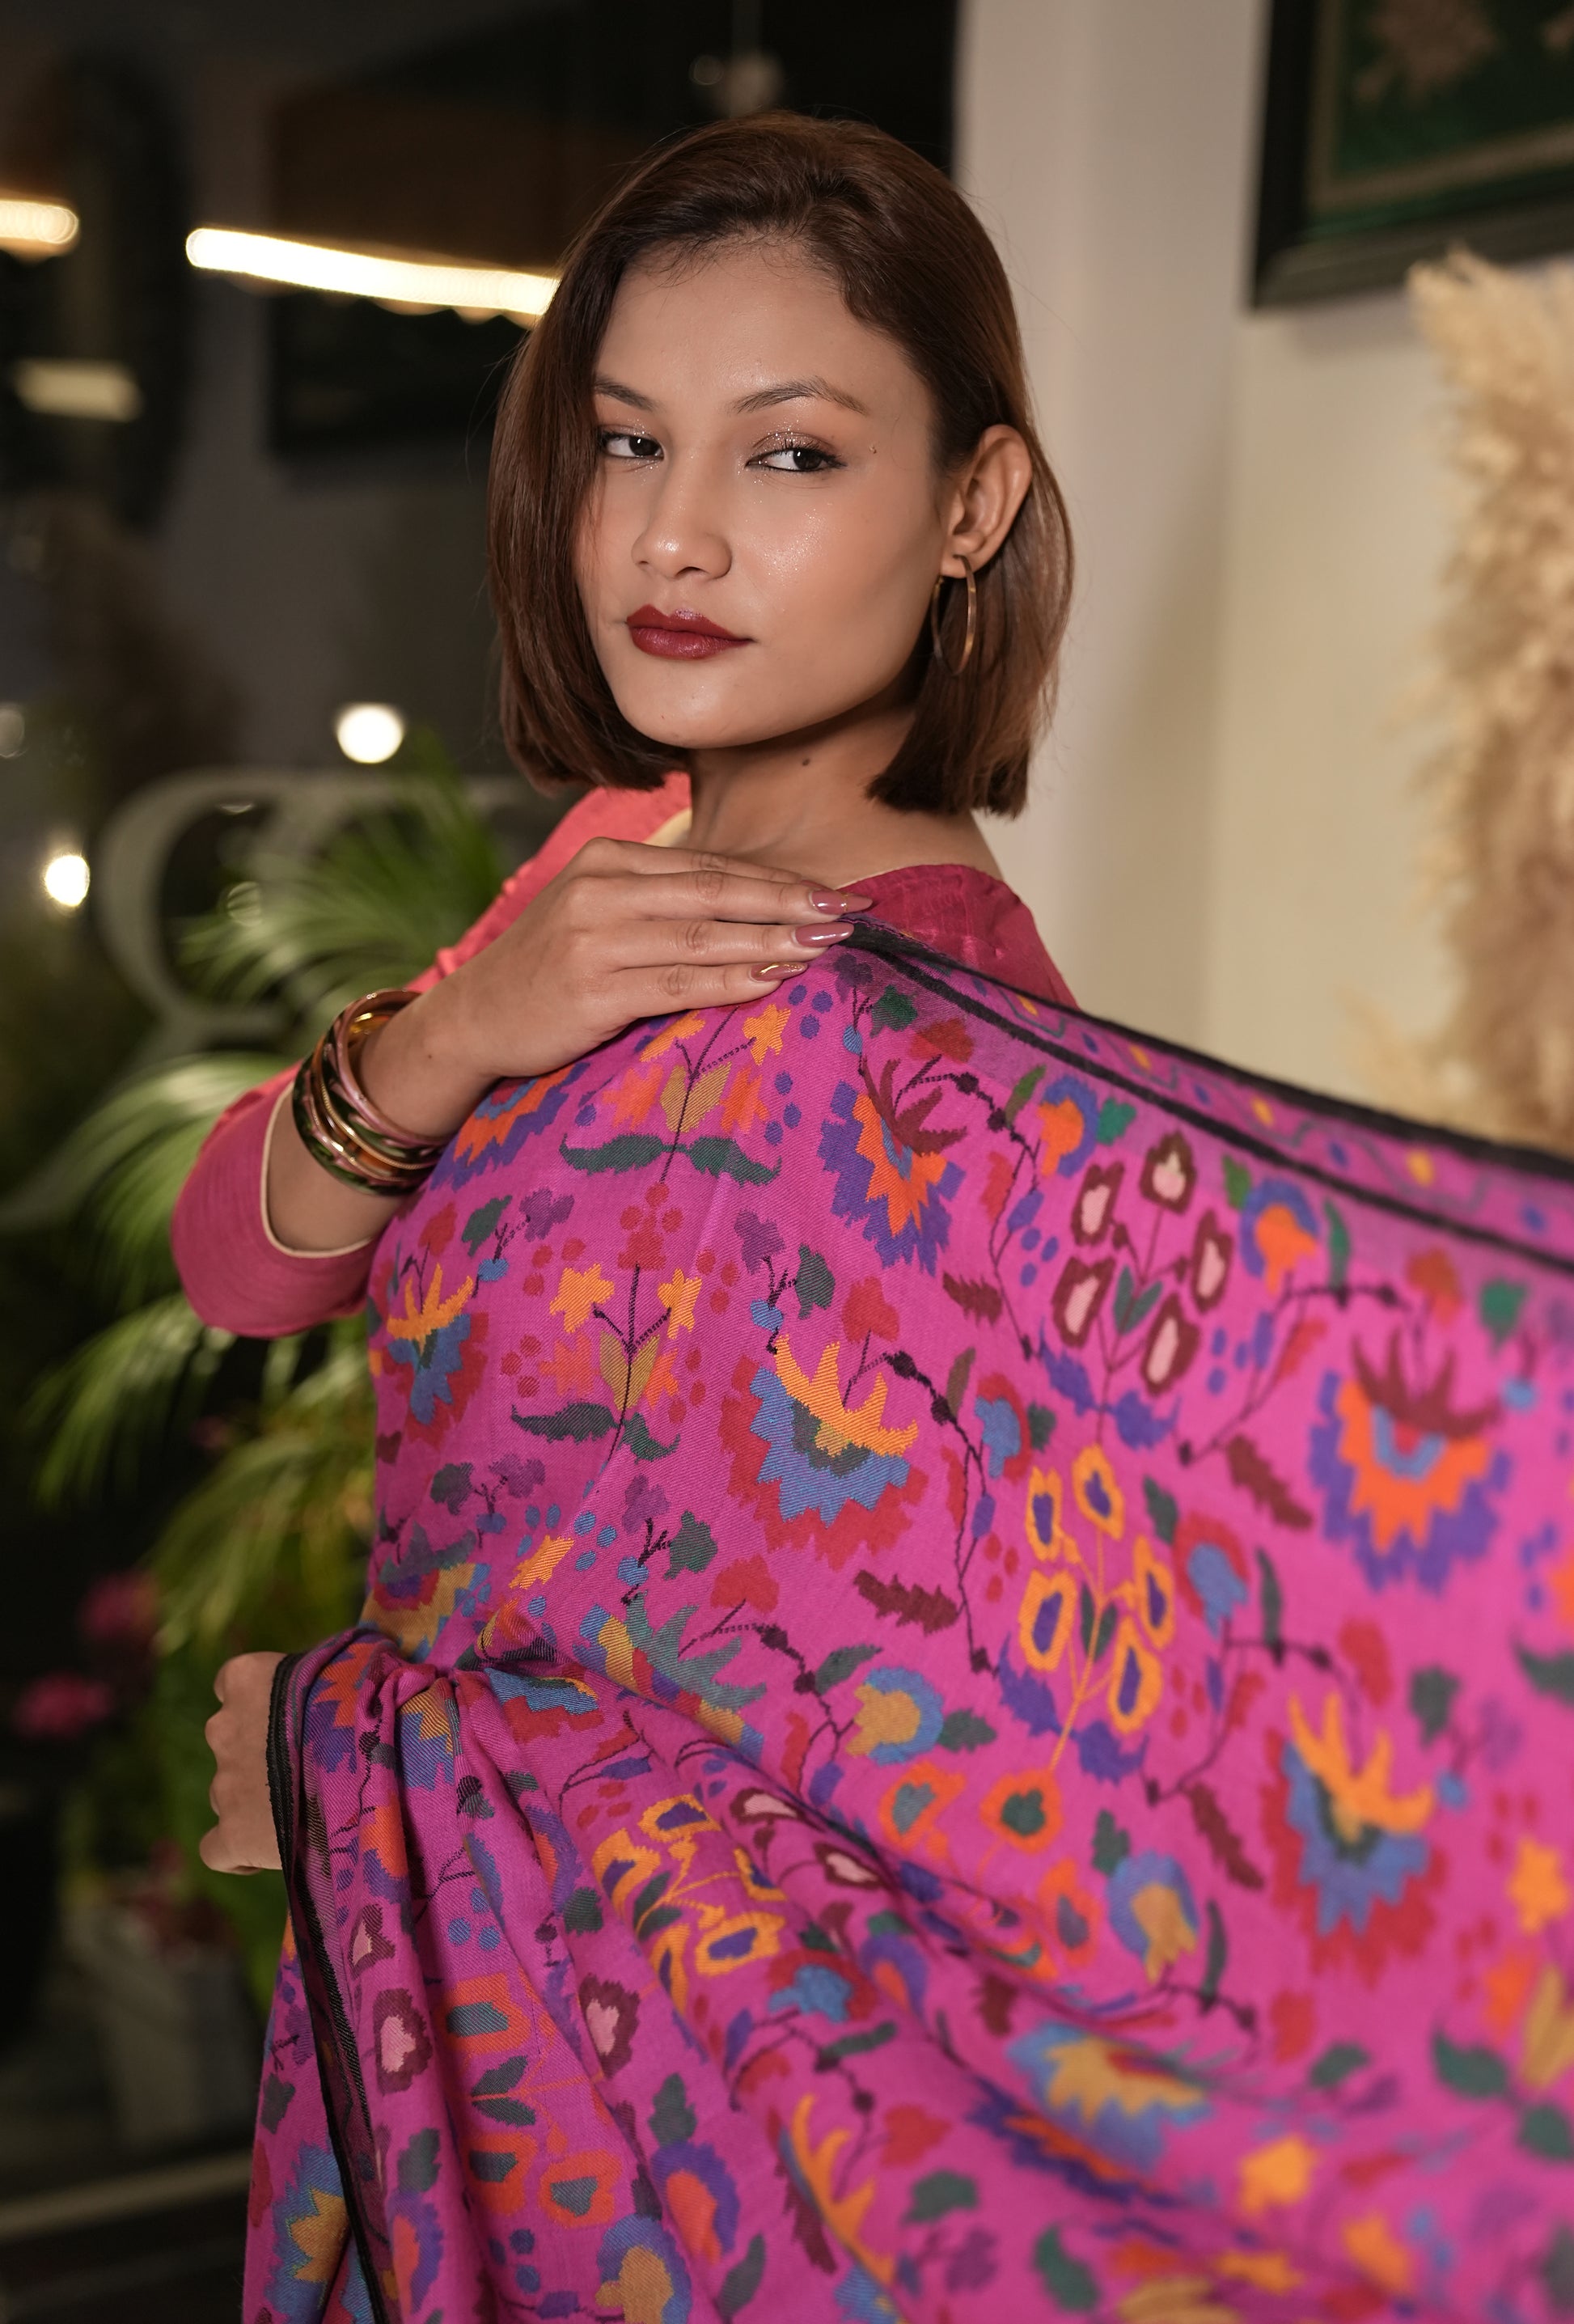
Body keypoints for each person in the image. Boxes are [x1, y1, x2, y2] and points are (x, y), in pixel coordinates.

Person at [175, 114, 1574, 2324]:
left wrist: (347, 1761)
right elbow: (238, 1261)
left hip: (639, 2154)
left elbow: (895, 1807)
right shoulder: (617, 858)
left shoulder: (937, 1062)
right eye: (627, 439)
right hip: (422, 2041)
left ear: (973, 504)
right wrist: (457, 1033)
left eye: (792, 454)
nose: (674, 534)